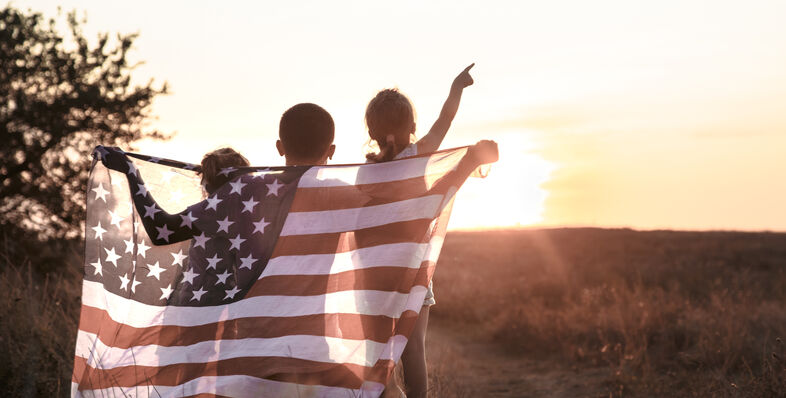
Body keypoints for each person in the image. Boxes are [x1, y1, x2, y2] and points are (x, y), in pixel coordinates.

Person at [364, 63, 493, 398]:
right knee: (414, 349)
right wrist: (456, 87)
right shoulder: (418, 154)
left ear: (371, 131)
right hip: (414, 269)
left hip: (375, 273)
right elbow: (445, 121)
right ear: (412, 127)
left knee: (377, 350)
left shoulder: (365, 172)